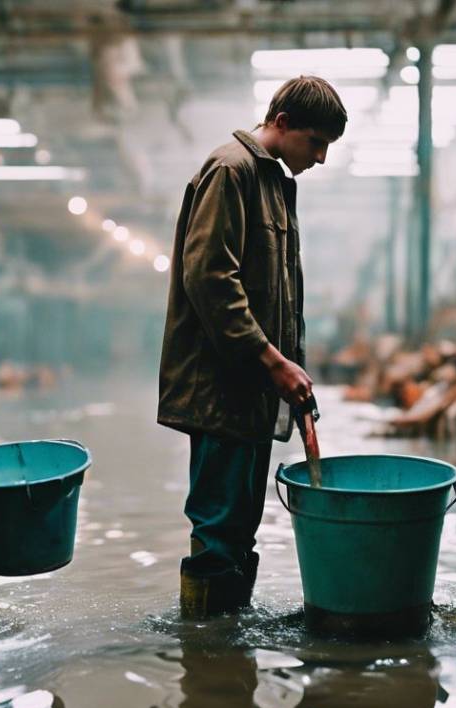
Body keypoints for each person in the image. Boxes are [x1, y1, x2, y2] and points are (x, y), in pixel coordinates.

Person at [157, 75, 347, 618]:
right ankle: (207, 657)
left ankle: (227, 668)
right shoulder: (230, 171)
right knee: (219, 530)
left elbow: (277, 295)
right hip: (221, 390)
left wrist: (287, 370)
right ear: (282, 124)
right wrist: (271, 359)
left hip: (250, 391)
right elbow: (211, 279)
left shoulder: (269, 183)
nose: (321, 158)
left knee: (240, 530)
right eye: (315, 143)